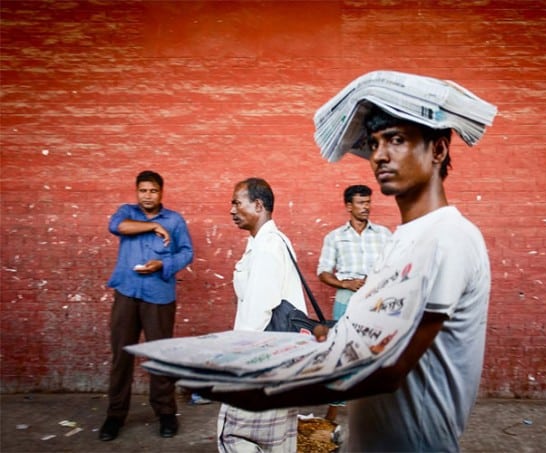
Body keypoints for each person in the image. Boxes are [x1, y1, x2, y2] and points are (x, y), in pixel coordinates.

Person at [200, 99, 492, 452]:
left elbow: (389, 365)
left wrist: (264, 384)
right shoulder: (400, 241)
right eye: (374, 144)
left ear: (439, 150)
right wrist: (326, 335)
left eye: (396, 140)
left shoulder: (448, 237)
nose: (380, 155)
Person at [99, 170, 194, 441]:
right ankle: (115, 416)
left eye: (153, 190)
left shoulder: (174, 220)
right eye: (143, 190)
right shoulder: (126, 213)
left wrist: (163, 264)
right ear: (136, 192)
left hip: (159, 295)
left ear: (161, 192)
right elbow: (117, 227)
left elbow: (187, 252)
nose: (148, 195)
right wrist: (152, 226)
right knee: (121, 356)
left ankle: (165, 413)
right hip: (126, 293)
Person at [217, 177, 307, 452]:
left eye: (237, 203)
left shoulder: (268, 246)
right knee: (273, 437)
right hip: (275, 358)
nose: (231, 210)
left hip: (261, 360)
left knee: (235, 435)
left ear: (258, 205)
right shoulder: (263, 242)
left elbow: (256, 313)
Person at [316, 184, 391, 421]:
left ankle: (379, 414)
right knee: (342, 356)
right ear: (349, 206)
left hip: (377, 302)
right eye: (361, 203)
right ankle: (331, 416)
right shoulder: (335, 237)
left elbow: (395, 267)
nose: (366, 207)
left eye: (368, 202)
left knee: (379, 353)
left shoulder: (384, 235)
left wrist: (377, 280)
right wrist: (346, 284)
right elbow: (323, 272)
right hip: (346, 302)